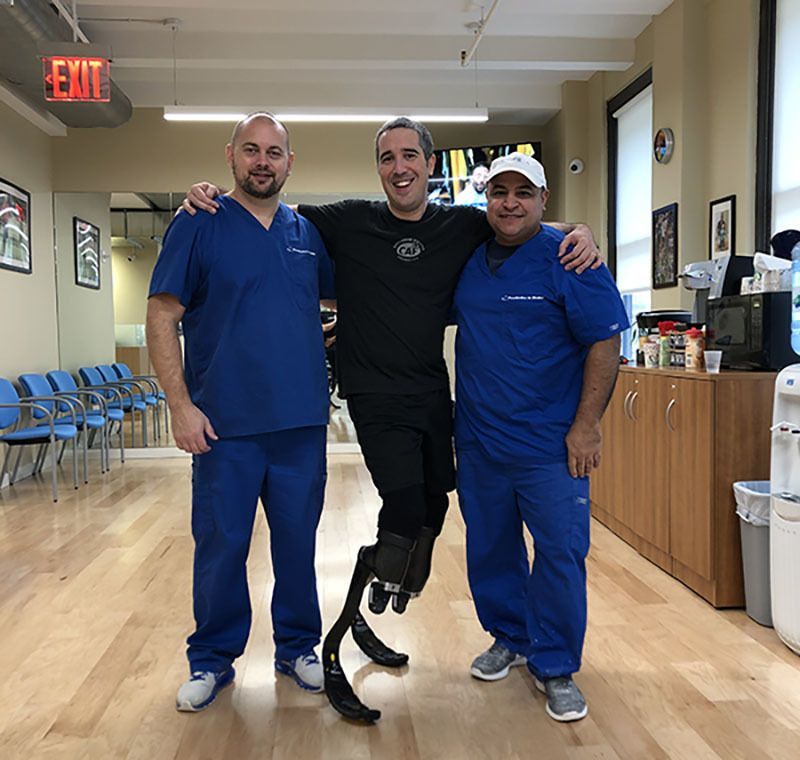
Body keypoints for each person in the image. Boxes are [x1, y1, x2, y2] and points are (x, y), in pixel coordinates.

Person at [182, 117, 602, 723]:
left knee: (434, 510)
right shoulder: (347, 220)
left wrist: (579, 229)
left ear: (430, 165)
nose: (399, 167)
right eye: (387, 157)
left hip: (433, 396)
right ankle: (354, 610)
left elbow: (523, 224)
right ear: (378, 167)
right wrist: (211, 197)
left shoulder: (462, 224)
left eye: (410, 155)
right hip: (377, 400)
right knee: (405, 512)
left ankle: (398, 589)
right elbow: (265, 208)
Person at [146, 112, 336, 712]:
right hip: (225, 426)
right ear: (230, 156)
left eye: (274, 152)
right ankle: (212, 660)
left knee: (298, 546)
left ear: (289, 162)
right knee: (222, 546)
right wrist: (180, 406)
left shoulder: (305, 232)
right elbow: (162, 315)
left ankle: (298, 647)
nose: (262, 161)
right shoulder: (198, 224)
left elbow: (329, 304)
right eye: (251, 150)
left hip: (299, 424)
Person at [451, 153, 629, 722]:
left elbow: (605, 342)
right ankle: (511, 636)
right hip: (480, 441)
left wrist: (587, 425)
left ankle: (555, 665)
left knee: (558, 553)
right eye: (498, 192)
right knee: (491, 546)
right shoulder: (470, 259)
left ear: (543, 200)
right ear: (485, 200)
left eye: (522, 193)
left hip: (551, 446)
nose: (509, 202)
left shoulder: (572, 259)